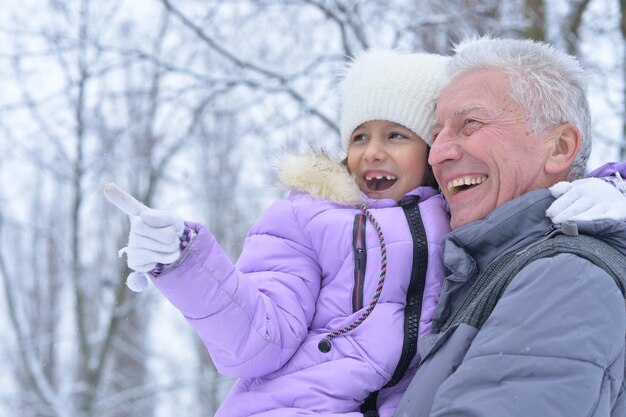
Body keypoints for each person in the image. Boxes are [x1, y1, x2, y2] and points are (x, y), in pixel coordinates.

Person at [105, 49, 624, 417]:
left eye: (398, 135)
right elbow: (253, 341)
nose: (372, 152)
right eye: (358, 136)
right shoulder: (308, 217)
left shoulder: (467, 224)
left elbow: (537, 202)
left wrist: (613, 186)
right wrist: (186, 263)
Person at [392, 36, 626, 417]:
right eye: (436, 136)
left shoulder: (566, 276)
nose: (437, 154)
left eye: (470, 123)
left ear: (560, 147)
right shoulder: (492, 271)